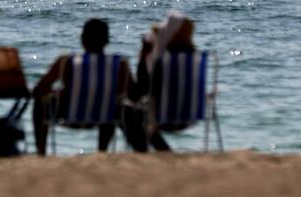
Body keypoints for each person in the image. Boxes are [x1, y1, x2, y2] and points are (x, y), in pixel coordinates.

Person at [32, 19, 137, 155]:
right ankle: (103, 151)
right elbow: (134, 96)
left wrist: (56, 93)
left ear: (82, 39)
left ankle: (41, 152)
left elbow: (38, 91)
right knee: (115, 105)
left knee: (40, 104)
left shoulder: (66, 62)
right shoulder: (120, 64)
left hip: (68, 114)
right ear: (107, 41)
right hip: (106, 117)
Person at [133, 11, 197, 151]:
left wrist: (143, 57)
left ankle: (159, 151)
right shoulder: (194, 59)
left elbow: (143, 88)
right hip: (191, 115)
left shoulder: (163, 62)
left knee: (130, 112)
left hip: (163, 116)